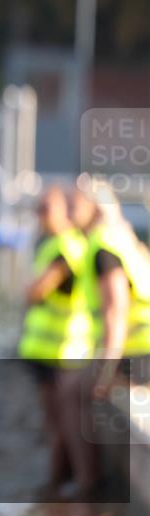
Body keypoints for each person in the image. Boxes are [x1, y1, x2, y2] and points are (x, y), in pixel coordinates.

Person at [17, 185, 97, 497]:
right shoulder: (56, 245)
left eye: (45, 209)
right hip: (49, 351)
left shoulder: (68, 248)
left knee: (62, 428)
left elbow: (35, 291)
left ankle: (68, 489)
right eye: (38, 209)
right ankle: (61, 491)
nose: (40, 216)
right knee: (58, 427)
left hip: (63, 350)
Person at [70, 178, 150, 394]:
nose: (68, 211)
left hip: (136, 359)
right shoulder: (121, 239)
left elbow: (116, 312)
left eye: (74, 204)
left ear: (94, 206)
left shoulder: (104, 247)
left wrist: (105, 371)